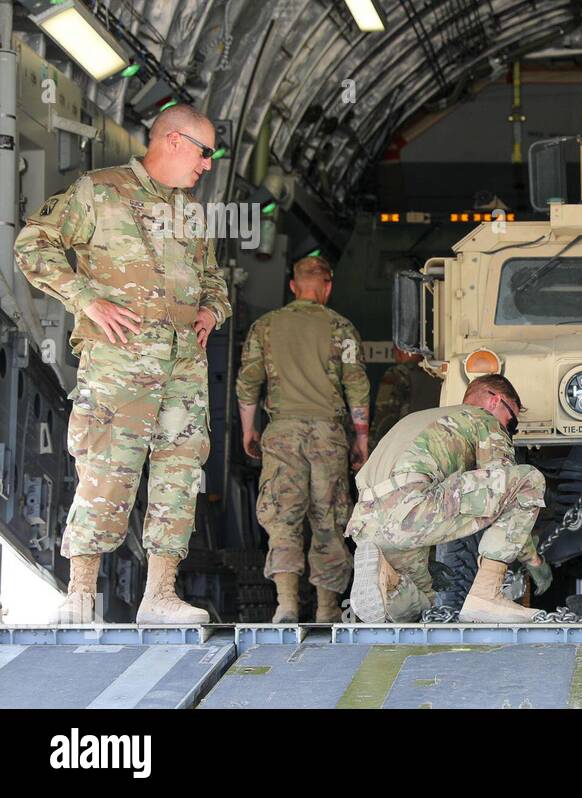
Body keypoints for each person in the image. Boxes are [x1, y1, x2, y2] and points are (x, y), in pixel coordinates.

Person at [14, 104, 230, 623]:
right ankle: (80, 594)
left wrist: (211, 311)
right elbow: (32, 245)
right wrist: (86, 298)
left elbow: (214, 279)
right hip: (120, 366)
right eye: (205, 154)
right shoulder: (98, 191)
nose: (207, 166)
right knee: (106, 471)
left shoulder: (193, 214)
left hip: (183, 370)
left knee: (179, 476)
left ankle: (159, 597)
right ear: (175, 141)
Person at [346, 374, 550, 623]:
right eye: (512, 422)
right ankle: (487, 594)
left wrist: (429, 560)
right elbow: (509, 487)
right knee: (528, 480)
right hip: (412, 510)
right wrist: (533, 559)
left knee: (421, 603)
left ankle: (388, 578)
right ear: (495, 401)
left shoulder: (419, 419)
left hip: (367, 522)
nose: (510, 431)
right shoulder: (483, 419)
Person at [236, 256, 370, 622]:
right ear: (327, 287)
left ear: (293, 287)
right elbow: (356, 386)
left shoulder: (266, 326)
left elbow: (248, 383)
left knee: (282, 517)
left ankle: (287, 604)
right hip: (328, 435)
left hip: (282, 434)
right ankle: (327, 609)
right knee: (328, 520)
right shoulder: (341, 327)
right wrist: (361, 438)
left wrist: (249, 429)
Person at [372, 346, 442, 444]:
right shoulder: (438, 372)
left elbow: (384, 414)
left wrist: (375, 446)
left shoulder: (397, 373)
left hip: (403, 443)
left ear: (399, 351)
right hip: (433, 440)